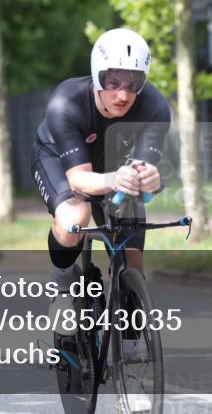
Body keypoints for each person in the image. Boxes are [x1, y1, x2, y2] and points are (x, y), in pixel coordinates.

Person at [30, 28, 170, 337]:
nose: (122, 94)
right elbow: (79, 178)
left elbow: (147, 165)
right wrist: (113, 179)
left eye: (134, 84)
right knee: (74, 217)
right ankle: (63, 285)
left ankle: (132, 339)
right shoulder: (66, 102)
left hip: (113, 166)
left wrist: (150, 176)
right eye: (113, 82)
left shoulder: (155, 107)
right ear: (97, 76)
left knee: (132, 261)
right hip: (59, 160)